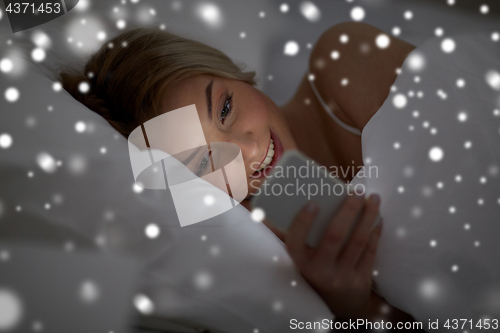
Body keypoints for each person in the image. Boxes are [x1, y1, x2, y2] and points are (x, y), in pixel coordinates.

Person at [57, 21, 420, 328]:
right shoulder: (268, 248)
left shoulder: (346, 63)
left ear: (229, 70)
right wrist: (353, 309)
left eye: (225, 108)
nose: (247, 149)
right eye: (204, 162)